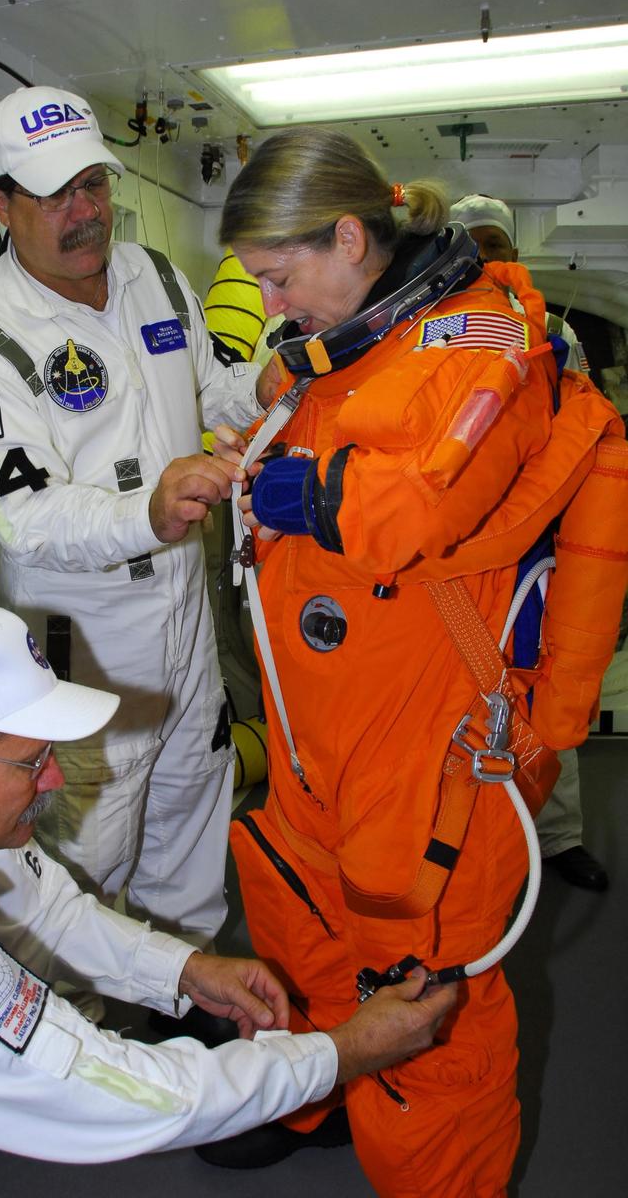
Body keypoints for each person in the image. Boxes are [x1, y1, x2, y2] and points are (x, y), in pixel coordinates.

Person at [202, 128, 624, 1193]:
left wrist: (315, 490)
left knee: (425, 1001)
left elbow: (423, 501)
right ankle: (315, 1090)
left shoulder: (487, 333)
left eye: (282, 276)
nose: (276, 302)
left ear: (349, 236)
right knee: (302, 913)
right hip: (319, 731)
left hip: (426, 740)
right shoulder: (347, 344)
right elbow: (301, 423)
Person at [0, 603, 456, 1198]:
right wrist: (344, 1053)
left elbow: (48, 906)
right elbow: (120, 1094)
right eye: (32, 761)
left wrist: (184, 973)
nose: (56, 777)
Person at [0, 87, 282, 991]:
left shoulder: (155, 278)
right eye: (56, 194)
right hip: (81, 642)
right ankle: (73, 1036)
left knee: (193, 812)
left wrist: (277, 382)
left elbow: (213, 388)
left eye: (94, 185)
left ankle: (181, 1001)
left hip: (185, 618)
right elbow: (27, 515)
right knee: (84, 854)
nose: (86, 212)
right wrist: (144, 512)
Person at [449, 192, 608, 892]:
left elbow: (582, 433)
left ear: (514, 256)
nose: (486, 259)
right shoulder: (436, 333)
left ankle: (558, 835)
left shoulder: (556, 339)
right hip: (458, 551)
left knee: (543, 687)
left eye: (497, 246)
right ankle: (457, 840)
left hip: (534, 544)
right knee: (454, 697)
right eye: (474, 247)